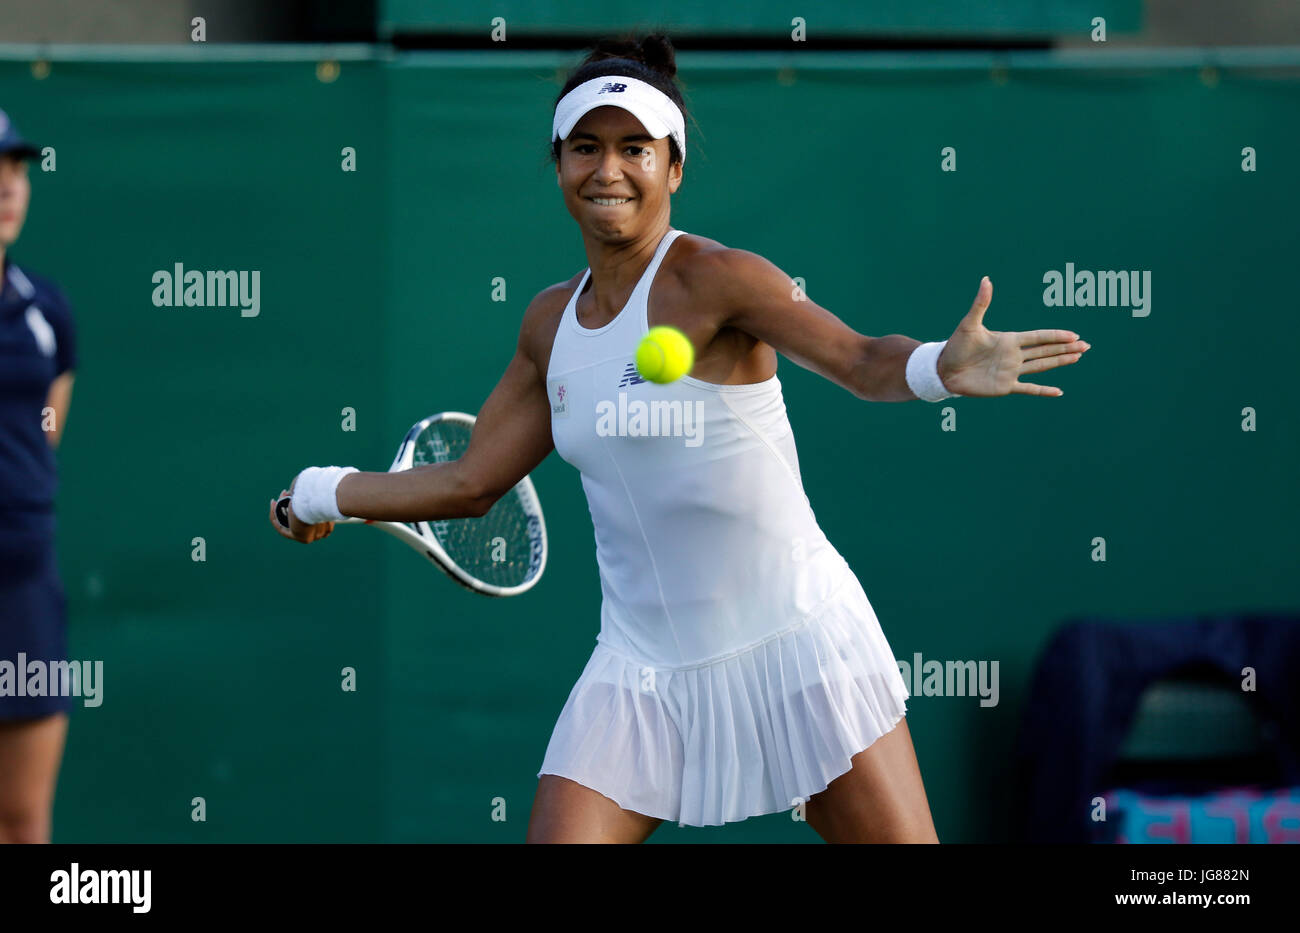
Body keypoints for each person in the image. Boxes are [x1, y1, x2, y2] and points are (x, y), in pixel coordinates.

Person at [269, 34, 1089, 843]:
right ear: (557, 165)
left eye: (635, 148)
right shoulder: (548, 324)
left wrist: (942, 367)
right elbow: (468, 482)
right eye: (585, 147)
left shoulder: (718, 278)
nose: (608, 170)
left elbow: (859, 359)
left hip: (798, 639)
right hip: (638, 671)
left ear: (675, 167)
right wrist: (320, 494)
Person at [0, 109, 77, 844]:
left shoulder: (46, 311)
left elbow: (45, 436)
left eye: (17, 169)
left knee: (23, 821)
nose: (8, 187)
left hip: (25, 589)